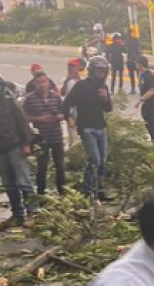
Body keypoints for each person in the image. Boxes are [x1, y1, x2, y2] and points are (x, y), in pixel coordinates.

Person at [0, 72, 35, 229]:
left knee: (24, 182)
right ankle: (17, 214)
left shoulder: (9, 101)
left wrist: (27, 143)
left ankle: (33, 213)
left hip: (15, 145)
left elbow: (22, 122)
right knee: (8, 184)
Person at [63, 57, 114, 201]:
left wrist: (105, 98)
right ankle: (87, 189)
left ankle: (100, 190)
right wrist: (69, 118)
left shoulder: (103, 87)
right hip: (86, 127)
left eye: (103, 71)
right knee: (95, 160)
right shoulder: (81, 86)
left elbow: (108, 108)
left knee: (103, 161)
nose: (101, 74)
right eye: (98, 71)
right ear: (92, 71)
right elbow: (66, 104)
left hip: (101, 126)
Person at [24, 72, 66, 196]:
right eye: (39, 82)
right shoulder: (30, 99)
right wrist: (39, 119)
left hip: (56, 136)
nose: (42, 85)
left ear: (48, 82)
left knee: (60, 166)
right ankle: (41, 193)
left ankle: (63, 192)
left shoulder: (56, 97)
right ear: (34, 84)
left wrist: (59, 116)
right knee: (42, 167)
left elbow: (64, 113)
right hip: (41, 138)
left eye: (44, 82)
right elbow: (23, 117)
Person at [134, 56, 154, 141]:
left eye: (137, 64)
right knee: (145, 117)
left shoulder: (149, 76)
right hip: (146, 102)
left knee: (151, 121)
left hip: (152, 102)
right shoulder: (141, 75)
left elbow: (152, 91)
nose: (136, 66)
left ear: (141, 65)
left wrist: (141, 100)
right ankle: (153, 137)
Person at [61, 59, 82, 148]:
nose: (71, 68)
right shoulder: (67, 81)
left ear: (78, 68)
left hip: (80, 113)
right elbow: (62, 93)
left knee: (77, 139)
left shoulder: (81, 81)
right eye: (69, 66)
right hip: (71, 113)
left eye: (73, 66)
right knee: (73, 138)